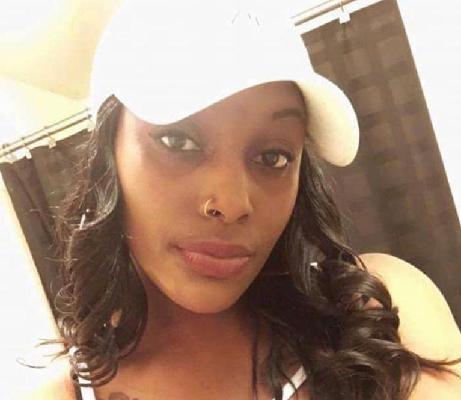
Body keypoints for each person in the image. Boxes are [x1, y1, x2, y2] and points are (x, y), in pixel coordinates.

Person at [27, 1, 461, 399]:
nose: (233, 203)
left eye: (273, 157)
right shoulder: (66, 393)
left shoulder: (382, 308)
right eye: (177, 141)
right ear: (108, 159)